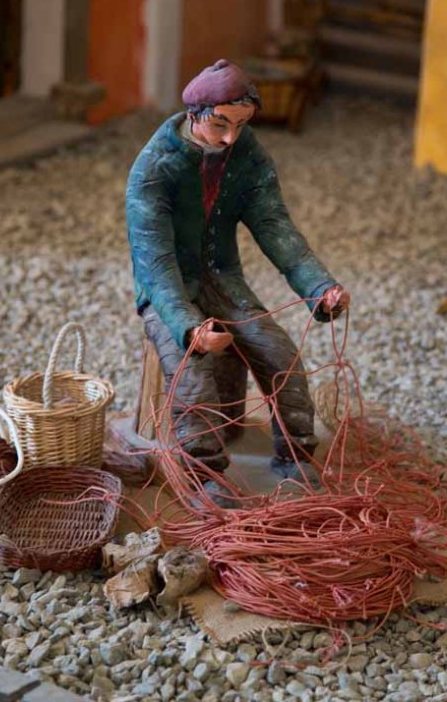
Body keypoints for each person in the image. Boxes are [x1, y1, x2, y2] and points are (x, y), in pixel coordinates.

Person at [125, 59, 349, 500]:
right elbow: (155, 263)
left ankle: (295, 458)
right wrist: (188, 327)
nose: (231, 137)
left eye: (242, 125)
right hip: (167, 292)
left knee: (279, 353)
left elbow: (275, 227)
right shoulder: (153, 168)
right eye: (221, 124)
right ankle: (206, 473)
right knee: (191, 372)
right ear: (194, 115)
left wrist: (319, 288)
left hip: (225, 282)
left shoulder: (247, 154)